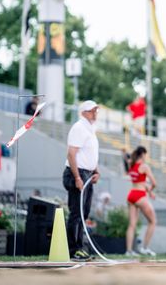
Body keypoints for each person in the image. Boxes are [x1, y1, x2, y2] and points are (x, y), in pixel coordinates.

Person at [62, 100, 100, 262]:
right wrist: (77, 177)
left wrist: (95, 170)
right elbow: (71, 154)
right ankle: (74, 249)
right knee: (76, 213)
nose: (95, 113)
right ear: (84, 112)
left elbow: (89, 153)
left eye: (95, 111)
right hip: (77, 173)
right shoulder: (79, 128)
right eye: (92, 111)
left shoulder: (89, 129)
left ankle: (79, 248)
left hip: (87, 174)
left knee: (83, 212)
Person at [125, 146, 157, 257]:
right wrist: (150, 190)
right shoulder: (144, 166)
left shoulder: (131, 164)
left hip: (131, 194)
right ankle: (145, 248)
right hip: (140, 195)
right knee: (152, 222)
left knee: (132, 225)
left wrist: (148, 191)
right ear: (143, 154)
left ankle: (128, 251)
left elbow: (140, 182)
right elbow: (154, 183)